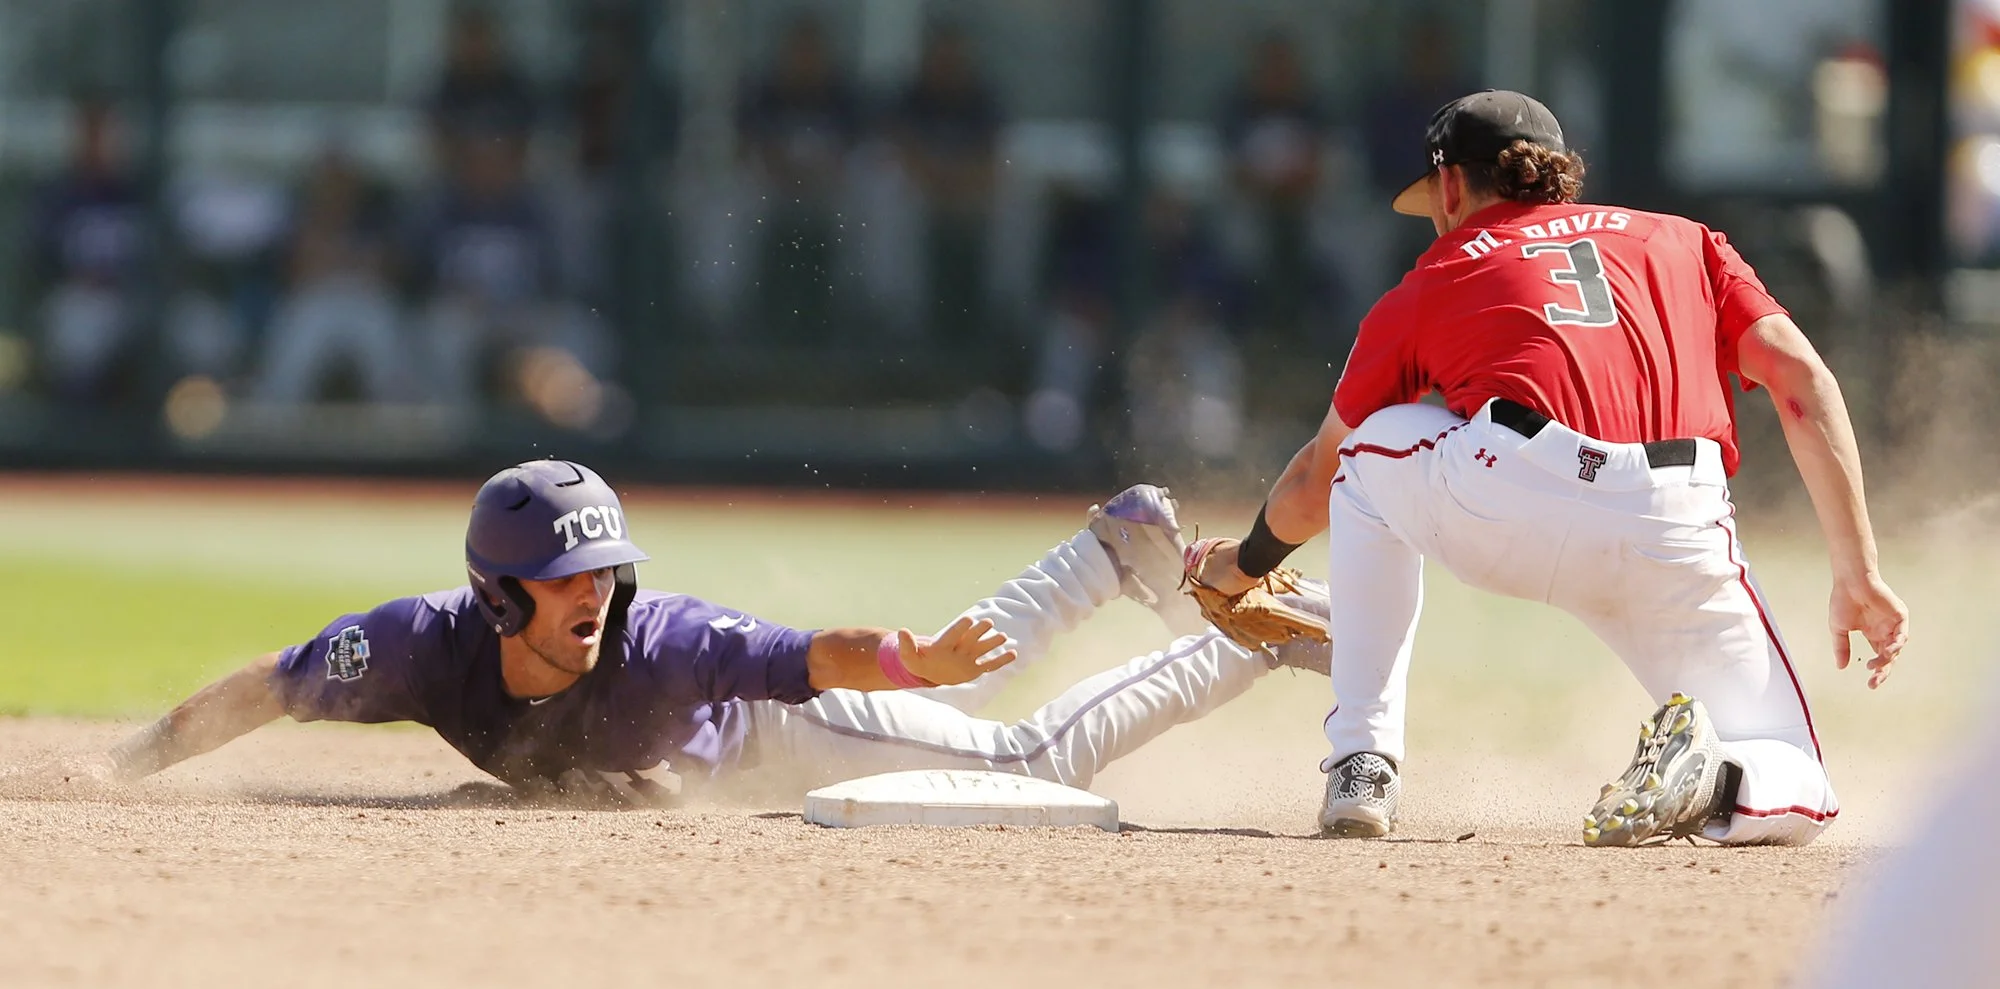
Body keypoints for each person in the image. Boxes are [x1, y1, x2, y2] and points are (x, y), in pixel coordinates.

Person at [1187, 90, 1909, 846]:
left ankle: (1362, 761)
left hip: (1515, 494)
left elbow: (1318, 474)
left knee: (1368, 450)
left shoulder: (1436, 273)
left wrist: (1246, 563)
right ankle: (1720, 776)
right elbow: (1801, 380)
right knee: (1799, 772)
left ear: (1453, 185)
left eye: (1434, 197)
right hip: (1677, 522)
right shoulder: (1684, 240)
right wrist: (1857, 569)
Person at [37, 464, 1325, 804]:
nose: (595, 591)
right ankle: (1108, 549)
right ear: (498, 598)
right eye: (565, 576)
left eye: (604, 567)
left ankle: (1240, 638)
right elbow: (273, 684)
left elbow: (809, 655)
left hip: (791, 731)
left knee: (1029, 760)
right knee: (964, 699)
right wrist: (123, 764)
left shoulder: (663, 640)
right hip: (749, 749)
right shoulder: (418, 647)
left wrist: (900, 659)